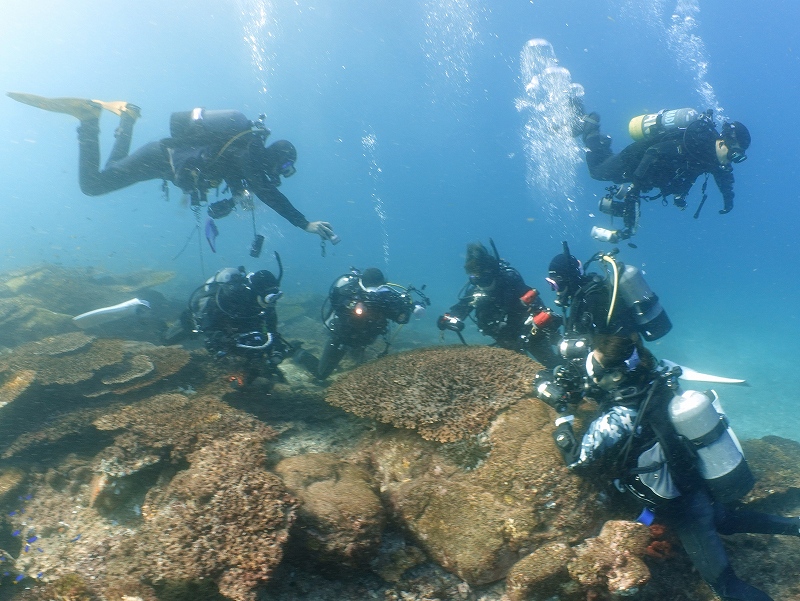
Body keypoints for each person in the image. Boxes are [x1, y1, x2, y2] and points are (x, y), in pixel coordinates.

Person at [536, 333, 800, 601]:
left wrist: (563, 417)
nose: (590, 368)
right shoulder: (656, 373)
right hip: (699, 481)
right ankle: (796, 526)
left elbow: (579, 461)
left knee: (724, 585)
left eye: (595, 365)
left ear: (615, 375)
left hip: (684, 508)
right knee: (724, 519)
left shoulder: (618, 418)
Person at [6, 92, 338, 244]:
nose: (281, 174)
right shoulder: (247, 152)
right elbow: (265, 189)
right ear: (275, 158)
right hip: (160, 158)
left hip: (163, 162)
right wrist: (303, 223)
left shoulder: (243, 151)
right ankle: (89, 120)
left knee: (108, 173)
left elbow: (244, 185)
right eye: (285, 167)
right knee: (93, 186)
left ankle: (126, 117)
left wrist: (232, 202)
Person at [575, 106, 750, 241]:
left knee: (606, 167)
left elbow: (724, 177)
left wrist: (729, 200)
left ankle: (603, 142)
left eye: (737, 157)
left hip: (647, 174)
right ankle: (591, 128)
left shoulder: (712, 158)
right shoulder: (693, 143)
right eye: (733, 154)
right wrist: (635, 187)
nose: (731, 161)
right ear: (722, 142)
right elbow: (654, 152)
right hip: (633, 160)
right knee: (598, 172)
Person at [437, 241, 562, 369]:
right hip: (505, 339)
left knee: (552, 364)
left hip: (531, 334)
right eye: (472, 275)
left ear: (489, 271)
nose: (476, 280)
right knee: (517, 371)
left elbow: (536, 303)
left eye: (479, 275)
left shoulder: (510, 282)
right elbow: (461, 308)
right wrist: (447, 319)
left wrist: (546, 323)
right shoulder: (475, 290)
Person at [545, 241, 671, 360]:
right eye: (551, 284)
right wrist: (560, 321)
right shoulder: (585, 296)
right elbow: (589, 326)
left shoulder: (593, 298)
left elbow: (600, 340)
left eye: (555, 284)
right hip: (619, 357)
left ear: (568, 280)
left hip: (622, 361)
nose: (554, 290)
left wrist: (559, 342)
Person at [305, 267, 427, 380]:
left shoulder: (386, 296)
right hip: (342, 339)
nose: (374, 292)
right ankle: (297, 352)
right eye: (371, 286)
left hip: (365, 340)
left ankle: (352, 354)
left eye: (378, 287)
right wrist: (352, 305)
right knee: (321, 375)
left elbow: (402, 319)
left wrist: (410, 307)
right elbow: (337, 302)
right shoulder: (350, 291)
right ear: (362, 283)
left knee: (361, 373)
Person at [187, 263, 291, 387]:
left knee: (257, 368)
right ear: (257, 292)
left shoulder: (266, 306)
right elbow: (208, 326)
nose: (271, 303)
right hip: (220, 329)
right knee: (172, 337)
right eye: (270, 298)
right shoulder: (227, 299)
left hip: (241, 335)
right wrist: (222, 338)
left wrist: (276, 351)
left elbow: (272, 332)